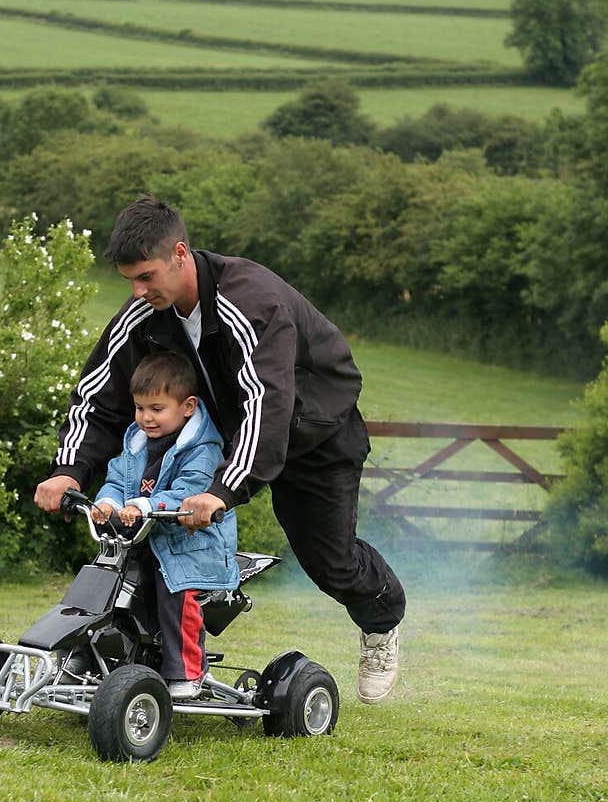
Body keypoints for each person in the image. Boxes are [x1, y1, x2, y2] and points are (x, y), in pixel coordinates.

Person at [35, 194, 406, 703]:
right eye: (131, 281)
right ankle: (143, 657)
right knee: (149, 536)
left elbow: (266, 402)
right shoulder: (143, 313)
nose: (138, 292)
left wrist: (224, 489)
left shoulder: (251, 301)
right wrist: (69, 471)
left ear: (180, 253)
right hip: (226, 434)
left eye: (147, 277)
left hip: (314, 432)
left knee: (330, 561)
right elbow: (100, 394)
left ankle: (382, 622)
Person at [91, 351, 239, 700]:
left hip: (191, 549)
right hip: (144, 543)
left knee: (177, 599)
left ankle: (186, 673)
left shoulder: (203, 451)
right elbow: (117, 479)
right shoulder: (136, 443)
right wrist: (108, 503)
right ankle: (93, 657)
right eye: (140, 408)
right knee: (105, 588)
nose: (146, 418)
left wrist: (143, 506)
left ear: (187, 406)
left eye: (157, 409)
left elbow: (189, 493)